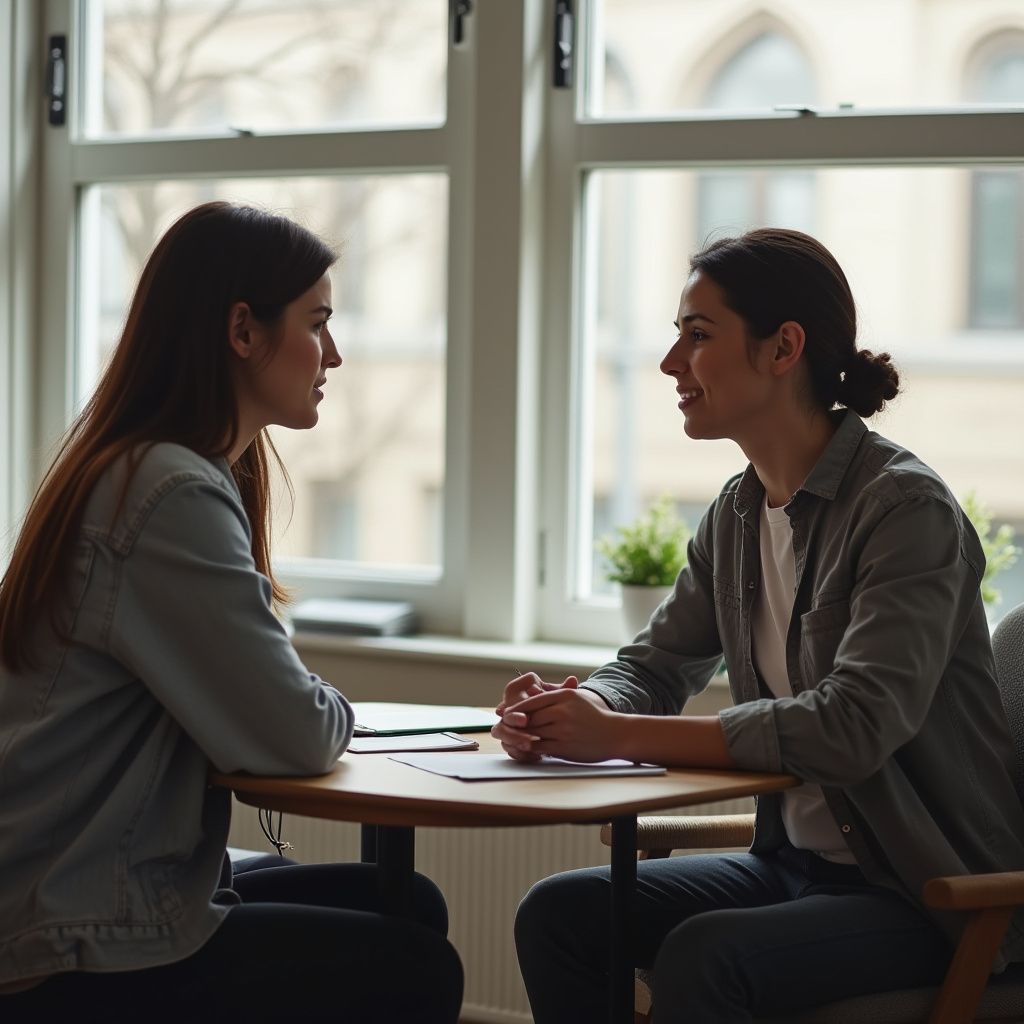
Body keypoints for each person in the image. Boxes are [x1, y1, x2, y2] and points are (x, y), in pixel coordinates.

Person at [494, 228, 1024, 1023]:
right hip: (793, 866)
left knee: (708, 958)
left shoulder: (905, 511)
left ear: (784, 349)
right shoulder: (738, 514)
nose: (672, 362)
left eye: (697, 335)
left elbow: (851, 727)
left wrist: (617, 735)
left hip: (930, 894)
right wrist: (584, 705)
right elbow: (655, 663)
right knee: (562, 915)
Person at [0, 202, 463, 1023]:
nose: (336, 353)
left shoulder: (142, 467)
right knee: (412, 964)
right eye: (317, 323)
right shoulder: (167, 492)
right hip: (68, 924)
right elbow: (290, 732)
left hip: (72, 882)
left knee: (405, 902)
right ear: (242, 331)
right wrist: (326, 706)